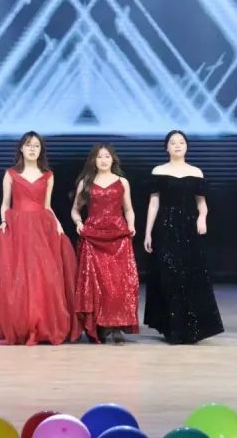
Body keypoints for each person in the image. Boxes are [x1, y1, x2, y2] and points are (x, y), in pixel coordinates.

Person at [0, 131, 78, 345]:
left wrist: (58, 225)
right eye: (28, 145)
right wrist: (4, 221)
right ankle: (21, 324)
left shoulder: (48, 175)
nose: (32, 149)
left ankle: (42, 324)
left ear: (41, 150)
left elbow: (47, 206)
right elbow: (5, 203)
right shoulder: (11, 174)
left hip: (42, 227)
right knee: (17, 277)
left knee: (44, 276)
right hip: (17, 225)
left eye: (36, 145)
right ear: (21, 148)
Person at [143, 130, 224, 344]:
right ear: (166, 147)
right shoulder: (159, 171)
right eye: (173, 142)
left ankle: (190, 328)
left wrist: (202, 218)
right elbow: (154, 203)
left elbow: (202, 203)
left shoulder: (196, 172)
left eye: (181, 142)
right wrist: (148, 232)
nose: (177, 145)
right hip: (165, 226)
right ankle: (171, 327)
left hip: (189, 227)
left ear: (186, 146)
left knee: (189, 275)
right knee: (168, 275)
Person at [72, 143, 139, 344]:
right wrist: (78, 223)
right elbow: (75, 210)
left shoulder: (122, 182)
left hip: (118, 237)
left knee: (118, 284)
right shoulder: (85, 183)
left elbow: (128, 209)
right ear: (93, 160)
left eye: (107, 156)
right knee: (96, 284)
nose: (103, 160)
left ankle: (117, 326)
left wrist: (131, 225)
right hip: (93, 236)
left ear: (113, 159)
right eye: (99, 157)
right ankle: (100, 326)